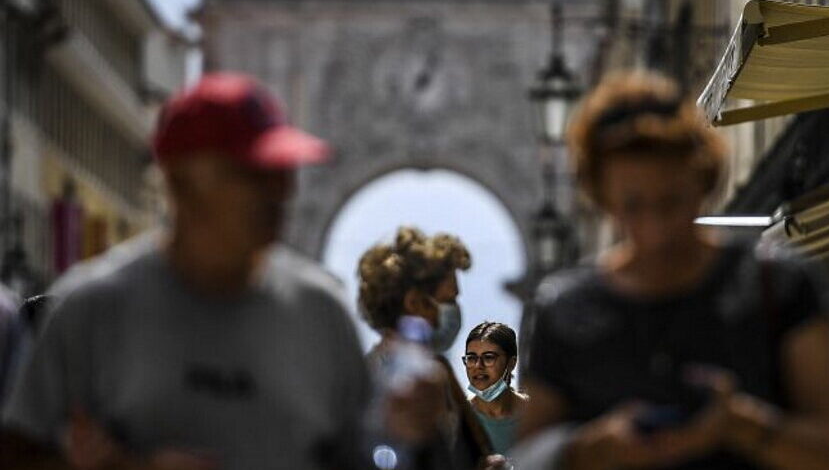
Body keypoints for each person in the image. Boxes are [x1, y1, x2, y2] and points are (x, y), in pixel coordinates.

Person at [0, 72, 372, 470]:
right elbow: (19, 455)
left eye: (283, 171)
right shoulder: (90, 309)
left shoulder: (322, 314)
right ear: (180, 182)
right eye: (252, 174)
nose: (280, 192)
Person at [513, 71, 829, 470]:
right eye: (633, 206)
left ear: (703, 180)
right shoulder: (565, 312)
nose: (656, 230)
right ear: (602, 196)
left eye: (672, 202)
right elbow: (529, 457)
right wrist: (595, 448)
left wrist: (739, 425)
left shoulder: (777, 287)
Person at [357, 226, 494, 469]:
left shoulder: (432, 368)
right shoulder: (393, 378)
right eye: (448, 300)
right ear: (414, 302)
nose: (455, 311)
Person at [462, 322, 528, 456]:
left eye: (488, 357)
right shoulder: (459, 418)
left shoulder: (535, 416)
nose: (478, 366)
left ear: (511, 363)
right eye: (471, 358)